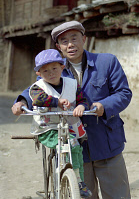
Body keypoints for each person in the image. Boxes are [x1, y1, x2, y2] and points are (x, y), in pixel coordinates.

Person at [12, 21, 132, 199]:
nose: (70, 44)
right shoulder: (54, 68)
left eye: (74, 38)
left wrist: (103, 106)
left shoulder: (107, 62)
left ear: (84, 39)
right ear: (58, 47)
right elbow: (35, 89)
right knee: (82, 194)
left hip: (107, 143)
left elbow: (123, 93)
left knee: (117, 195)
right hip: (73, 145)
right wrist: (21, 102)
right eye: (64, 41)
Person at [28, 48, 92, 198]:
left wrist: (82, 106)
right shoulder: (38, 88)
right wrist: (57, 101)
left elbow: (83, 99)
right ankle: (62, 173)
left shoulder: (72, 84)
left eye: (54, 68)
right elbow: (39, 100)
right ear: (39, 74)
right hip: (47, 129)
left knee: (77, 149)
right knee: (70, 143)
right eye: (45, 71)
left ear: (62, 67)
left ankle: (78, 181)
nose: (51, 73)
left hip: (69, 127)